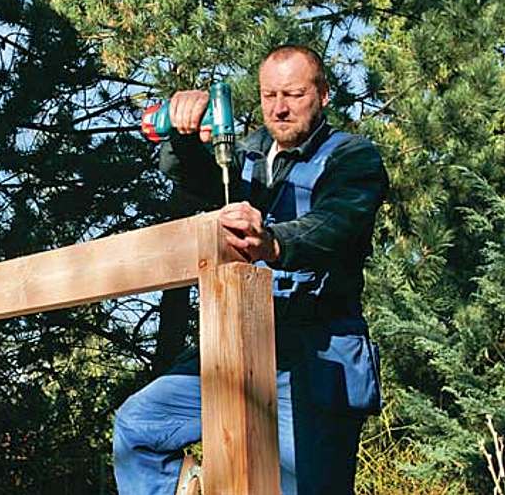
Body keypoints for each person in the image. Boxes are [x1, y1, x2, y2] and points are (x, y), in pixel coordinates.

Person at [112, 45, 388, 495]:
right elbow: (199, 183)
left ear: (323, 94)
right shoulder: (242, 158)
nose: (279, 108)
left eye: (294, 94)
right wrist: (183, 136)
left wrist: (275, 243)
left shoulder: (352, 159)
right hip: (236, 340)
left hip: (314, 354)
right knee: (141, 425)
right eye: (268, 95)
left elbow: (336, 224)